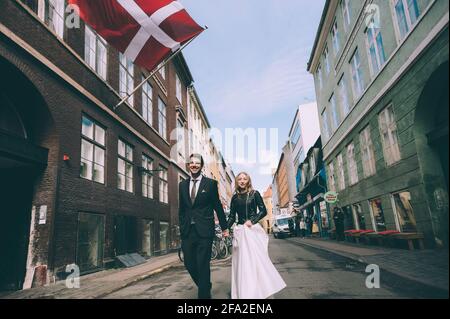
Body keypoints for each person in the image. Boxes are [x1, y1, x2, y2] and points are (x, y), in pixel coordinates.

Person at [227, 172, 286, 299]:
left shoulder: (255, 194)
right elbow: (232, 216)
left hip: (252, 230)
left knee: (256, 260)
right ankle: (245, 292)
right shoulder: (235, 197)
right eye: (239, 179)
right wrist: (225, 227)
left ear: (248, 180)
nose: (242, 181)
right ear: (237, 181)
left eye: (245, 178)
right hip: (241, 232)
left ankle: (260, 289)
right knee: (242, 263)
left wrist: (252, 221)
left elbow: (263, 210)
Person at [178, 154, 229, 299]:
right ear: (188, 165)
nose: (194, 165)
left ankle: (204, 296)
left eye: (197, 163)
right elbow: (182, 209)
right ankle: (205, 285)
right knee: (189, 263)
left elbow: (218, 207)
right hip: (188, 231)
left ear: (201, 166)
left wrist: (224, 228)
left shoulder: (210, 184)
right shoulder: (182, 185)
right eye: (191, 163)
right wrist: (182, 227)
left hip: (205, 230)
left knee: (202, 264)